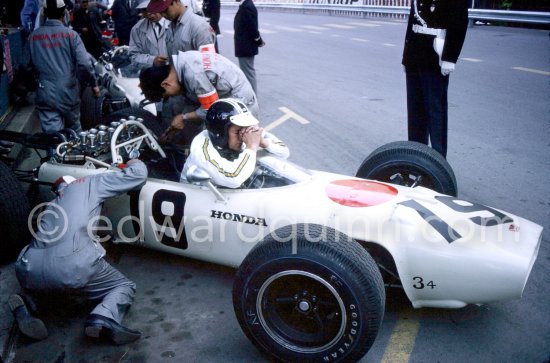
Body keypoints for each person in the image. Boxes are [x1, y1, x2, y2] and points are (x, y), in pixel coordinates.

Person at [10, 159, 148, 344]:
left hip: (28, 266)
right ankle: (103, 318)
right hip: (72, 266)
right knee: (123, 286)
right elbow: (138, 176)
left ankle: (28, 303)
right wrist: (133, 161)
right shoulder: (88, 183)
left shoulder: (51, 205)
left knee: (49, 281)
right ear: (74, 180)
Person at [139, 50, 258, 145]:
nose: (172, 96)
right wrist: (178, 124)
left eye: (166, 95)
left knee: (237, 144)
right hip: (224, 97)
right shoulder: (180, 66)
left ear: (165, 84)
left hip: (240, 102)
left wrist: (183, 117)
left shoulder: (194, 75)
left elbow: (210, 110)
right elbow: (193, 100)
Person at [402, 0, 468, 158]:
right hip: (415, 56)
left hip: (434, 59)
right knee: (415, 113)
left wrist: (450, 58)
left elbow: (459, 23)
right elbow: (412, 22)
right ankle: (416, 158)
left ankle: (438, 162)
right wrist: (406, 57)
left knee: (435, 113)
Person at [26, 0, 99, 134]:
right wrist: (94, 84)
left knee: (52, 137)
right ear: (64, 13)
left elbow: (25, 66)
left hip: (45, 93)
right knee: (75, 132)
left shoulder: (33, 37)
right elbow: (85, 64)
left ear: (45, 14)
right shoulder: (72, 35)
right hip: (69, 93)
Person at [181, 99, 289, 188]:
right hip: (201, 202)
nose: (243, 136)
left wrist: (262, 141)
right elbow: (233, 179)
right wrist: (251, 147)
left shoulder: (246, 132)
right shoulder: (202, 150)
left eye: (245, 129)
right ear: (220, 132)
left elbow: (284, 153)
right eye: (238, 132)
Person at [147, 0, 215, 55]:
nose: (163, 15)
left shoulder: (199, 26)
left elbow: (209, 63)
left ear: (176, 1)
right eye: (160, 12)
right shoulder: (169, 25)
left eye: (165, 10)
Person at [128, 0, 171, 70]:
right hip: (151, 74)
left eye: (152, 8)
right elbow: (133, 56)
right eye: (144, 10)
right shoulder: (137, 29)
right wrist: (152, 60)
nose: (149, 13)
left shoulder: (174, 23)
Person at [234, 0, 264, 94]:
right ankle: (250, 96)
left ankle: (252, 98)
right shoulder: (245, 5)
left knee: (248, 74)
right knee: (247, 73)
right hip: (245, 46)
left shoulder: (247, 7)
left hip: (246, 47)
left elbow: (253, 28)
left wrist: (259, 40)